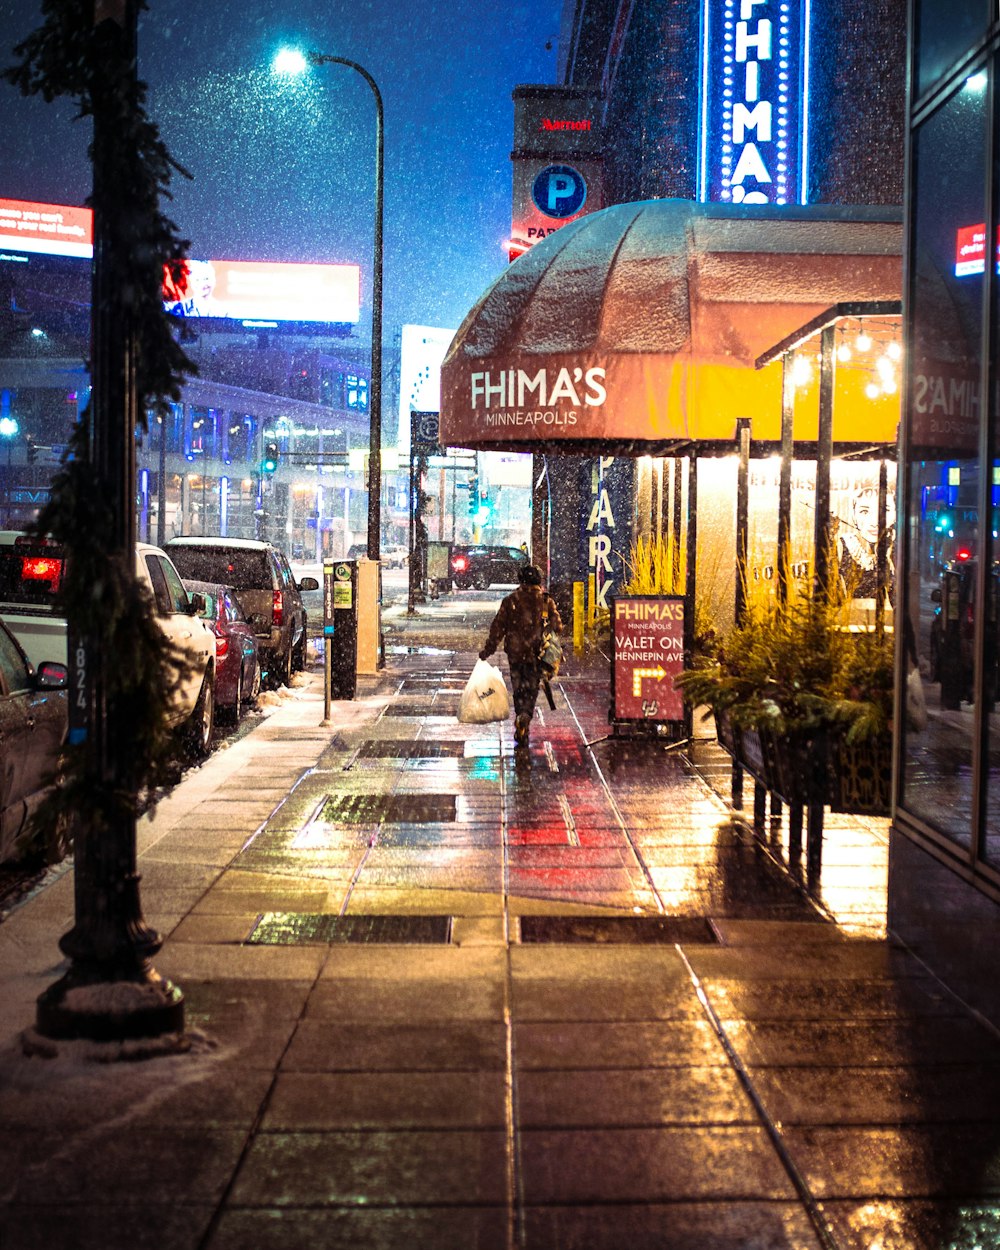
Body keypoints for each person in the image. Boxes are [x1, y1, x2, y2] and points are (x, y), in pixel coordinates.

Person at [479, 563, 562, 749]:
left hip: (515, 653)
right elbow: (558, 626)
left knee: (518, 688)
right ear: (538, 581)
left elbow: (497, 628)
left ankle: (520, 714)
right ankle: (525, 716)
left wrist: (488, 650)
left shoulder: (510, 600)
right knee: (531, 688)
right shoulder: (546, 601)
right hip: (536, 653)